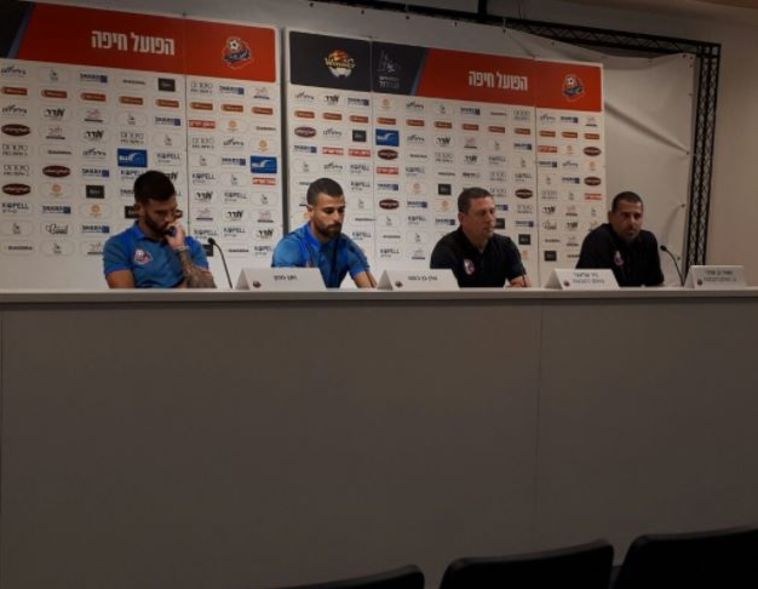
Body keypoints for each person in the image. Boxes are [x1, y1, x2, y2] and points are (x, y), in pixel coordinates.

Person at [103, 170, 215, 288]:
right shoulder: (118, 245)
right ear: (139, 209)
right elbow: (125, 297)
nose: (169, 218)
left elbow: (205, 290)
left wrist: (181, 249)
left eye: (173, 210)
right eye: (160, 213)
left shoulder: (190, 245)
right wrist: (185, 288)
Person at [272, 177, 376, 288]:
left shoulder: (347, 246)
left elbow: (372, 293)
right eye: (329, 211)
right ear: (310, 211)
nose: (337, 218)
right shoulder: (290, 247)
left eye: (341, 210)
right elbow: (286, 296)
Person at [430, 187, 529, 287]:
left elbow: (523, 285)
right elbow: (443, 294)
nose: (489, 219)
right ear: (462, 218)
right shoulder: (446, 249)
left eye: (492, 211)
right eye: (482, 213)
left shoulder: (505, 246)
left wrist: (517, 288)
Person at [576, 191, 664, 287]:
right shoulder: (597, 240)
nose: (632, 222)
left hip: (635, 297)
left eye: (637, 216)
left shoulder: (648, 241)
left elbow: (656, 285)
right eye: (625, 216)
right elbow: (582, 286)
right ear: (610, 217)